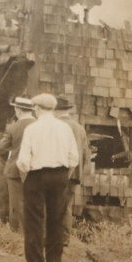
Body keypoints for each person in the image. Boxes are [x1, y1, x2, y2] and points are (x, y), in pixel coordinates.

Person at [16, 93, 79, 262]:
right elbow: (74, 158)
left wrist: (26, 177)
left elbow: (23, 161)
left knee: (34, 221)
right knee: (56, 219)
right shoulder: (65, 128)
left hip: (36, 176)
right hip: (60, 175)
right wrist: (64, 175)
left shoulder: (32, 129)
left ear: (36, 109)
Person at [0, 97, 36, 233]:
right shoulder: (39, 126)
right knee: (34, 203)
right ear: (31, 110)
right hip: (36, 170)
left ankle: (16, 234)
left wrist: (11, 154)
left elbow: (1, 148)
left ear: (18, 110)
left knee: (16, 204)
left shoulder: (12, 128)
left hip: (15, 170)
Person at [54, 96, 89, 246]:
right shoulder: (79, 128)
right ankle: (64, 239)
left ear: (55, 111)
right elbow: (86, 155)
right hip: (75, 174)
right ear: (68, 110)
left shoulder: (55, 126)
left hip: (57, 171)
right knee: (66, 206)